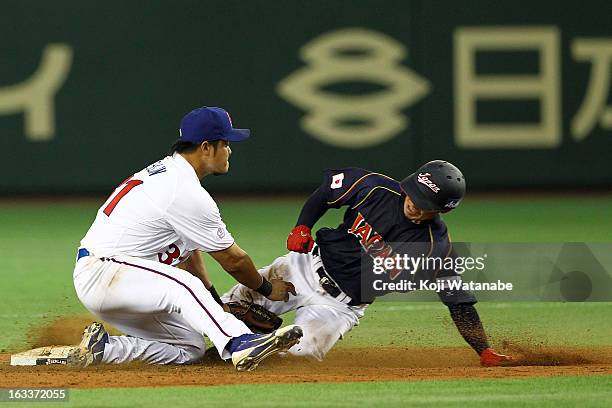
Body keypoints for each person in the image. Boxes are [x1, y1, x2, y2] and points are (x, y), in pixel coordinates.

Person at [70, 106, 302, 371]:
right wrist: (267, 289)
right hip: (106, 271)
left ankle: (106, 349)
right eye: (225, 143)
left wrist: (216, 304)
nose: (230, 150)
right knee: (182, 284)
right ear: (206, 147)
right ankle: (240, 342)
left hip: (120, 280)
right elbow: (233, 260)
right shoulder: (183, 190)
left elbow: (189, 253)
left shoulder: (174, 176)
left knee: (189, 347)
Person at [223, 161, 512, 365]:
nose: (413, 201)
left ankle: (257, 348)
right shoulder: (375, 187)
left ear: (440, 211)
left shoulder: (436, 248)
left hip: (339, 307)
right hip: (301, 268)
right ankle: (226, 347)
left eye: (424, 200)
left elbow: (457, 301)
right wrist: (302, 227)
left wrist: (483, 349)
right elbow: (326, 192)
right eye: (414, 191)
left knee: (298, 357)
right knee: (228, 309)